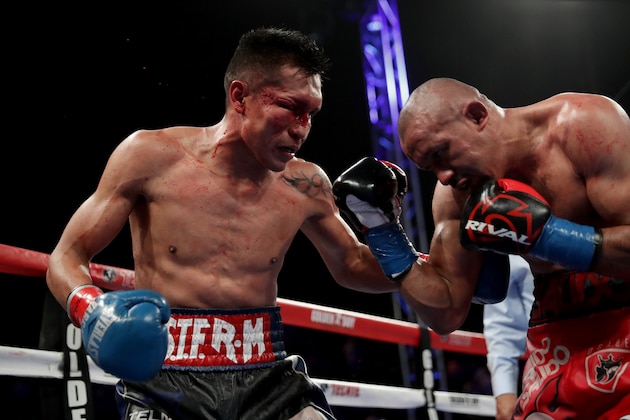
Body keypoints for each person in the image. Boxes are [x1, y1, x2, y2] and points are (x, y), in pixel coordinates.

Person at [45, 26, 402, 420]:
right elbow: (67, 254)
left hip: (268, 377)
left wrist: (404, 248)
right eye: (290, 106)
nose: (302, 128)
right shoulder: (150, 156)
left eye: (311, 114)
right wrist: (92, 309)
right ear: (240, 96)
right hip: (164, 377)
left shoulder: (306, 183)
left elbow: (352, 263)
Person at [334, 77, 630, 419]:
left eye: (441, 153)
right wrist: (384, 232)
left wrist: (548, 237)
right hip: (557, 332)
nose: (442, 177)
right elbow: (445, 312)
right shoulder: (456, 196)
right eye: (430, 168)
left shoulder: (584, 126)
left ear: (477, 115)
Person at [483, 255, 534, 420]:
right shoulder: (511, 241)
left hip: (612, 360)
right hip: (552, 373)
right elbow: (504, 327)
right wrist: (504, 392)